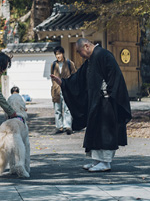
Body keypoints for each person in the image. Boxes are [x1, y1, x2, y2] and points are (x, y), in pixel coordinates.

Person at [50, 38, 131, 172]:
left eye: (79, 51)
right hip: (97, 102)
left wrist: (107, 93)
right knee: (95, 131)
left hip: (106, 102)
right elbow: (79, 78)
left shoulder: (104, 55)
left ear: (86, 46)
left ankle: (106, 163)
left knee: (105, 133)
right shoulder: (91, 60)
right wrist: (64, 83)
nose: (79, 54)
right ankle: (98, 160)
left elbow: (114, 76)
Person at [50, 46, 76, 135]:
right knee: (57, 109)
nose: (58, 56)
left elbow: (74, 75)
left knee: (67, 108)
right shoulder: (53, 65)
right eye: (56, 54)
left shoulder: (69, 63)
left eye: (59, 54)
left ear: (63, 54)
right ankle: (59, 126)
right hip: (56, 90)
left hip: (67, 88)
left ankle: (67, 126)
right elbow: (52, 77)